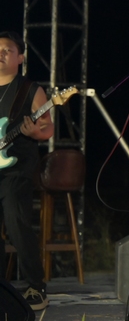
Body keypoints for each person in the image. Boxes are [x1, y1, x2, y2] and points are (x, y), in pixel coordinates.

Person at [0, 31, 53, 311]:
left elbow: (47, 128)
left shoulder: (29, 89)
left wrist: (35, 132)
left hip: (17, 168)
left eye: (7, 50)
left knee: (16, 219)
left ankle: (36, 286)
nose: (1, 54)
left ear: (20, 57)